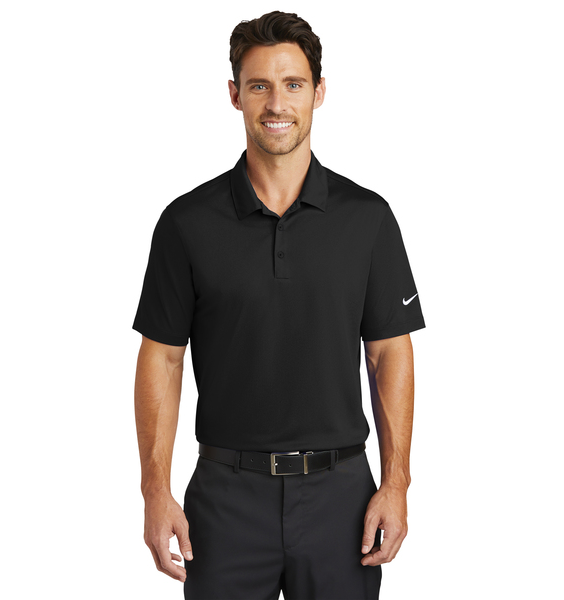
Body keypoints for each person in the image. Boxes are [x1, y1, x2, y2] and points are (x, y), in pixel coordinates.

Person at [132, 10, 425, 600]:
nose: (276, 103)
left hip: (342, 499)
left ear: (319, 92)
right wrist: (154, 491)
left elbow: (389, 353)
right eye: (259, 85)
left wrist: (396, 483)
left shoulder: (368, 219)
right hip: (225, 498)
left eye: (293, 84)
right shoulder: (186, 223)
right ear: (234, 95)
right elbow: (161, 358)